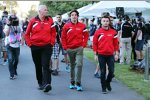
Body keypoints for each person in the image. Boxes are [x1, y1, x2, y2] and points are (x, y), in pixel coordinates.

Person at [25, 5, 56, 93]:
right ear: (40, 11)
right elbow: (27, 34)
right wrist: (30, 44)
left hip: (46, 46)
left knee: (46, 65)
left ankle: (47, 84)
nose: (47, 11)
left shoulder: (50, 20)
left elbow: (54, 32)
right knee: (38, 65)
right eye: (45, 10)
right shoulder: (32, 21)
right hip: (35, 47)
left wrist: (52, 42)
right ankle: (40, 83)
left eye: (47, 9)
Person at [61, 10, 89, 91]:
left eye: (75, 15)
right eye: (72, 15)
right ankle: (72, 81)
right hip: (70, 49)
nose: (74, 16)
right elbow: (63, 37)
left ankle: (78, 82)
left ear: (77, 16)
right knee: (72, 66)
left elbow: (86, 36)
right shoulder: (66, 26)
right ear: (70, 17)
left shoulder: (82, 26)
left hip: (79, 48)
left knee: (79, 64)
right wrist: (65, 47)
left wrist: (83, 45)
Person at [93, 16, 119, 94]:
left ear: (109, 22)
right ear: (101, 22)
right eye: (104, 21)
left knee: (111, 71)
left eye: (107, 21)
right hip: (101, 54)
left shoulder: (113, 32)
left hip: (110, 54)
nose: (105, 22)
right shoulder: (98, 32)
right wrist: (95, 54)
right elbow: (95, 44)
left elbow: (116, 44)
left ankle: (107, 82)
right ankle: (103, 87)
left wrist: (116, 54)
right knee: (103, 72)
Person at [3, 13, 22, 80]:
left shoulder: (19, 25)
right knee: (10, 60)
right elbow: (7, 34)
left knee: (16, 60)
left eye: (15, 19)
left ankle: (14, 69)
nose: (14, 21)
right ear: (10, 20)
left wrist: (22, 40)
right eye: (12, 20)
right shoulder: (7, 26)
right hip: (9, 45)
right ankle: (12, 74)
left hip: (17, 45)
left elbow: (22, 33)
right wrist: (8, 25)